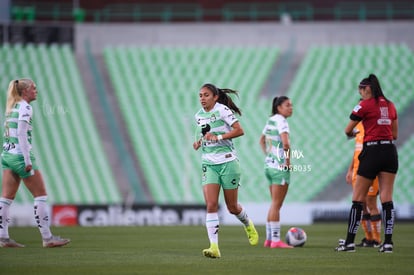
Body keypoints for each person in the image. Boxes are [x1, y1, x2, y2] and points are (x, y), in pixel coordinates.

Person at [0, 78, 70, 248]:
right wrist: (26, 160)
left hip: (6, 154)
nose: (36, 91)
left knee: (6, 198)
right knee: (41, 195)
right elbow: (22, 135)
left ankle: (3, 237)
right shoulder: (25, 107)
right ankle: (47, 238)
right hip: (19, 156)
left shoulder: (12, 107)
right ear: (25, 91)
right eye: (33, 88)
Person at [193, 83, 258, 258]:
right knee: (211, 204)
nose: (202, 98)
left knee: (232, 207)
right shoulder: (198, 116)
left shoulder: (222, 110)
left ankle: (247, 224)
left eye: (206, 95)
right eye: (200, 95)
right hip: (209, 163)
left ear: (215, 97)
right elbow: (200, 134)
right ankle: (214, 247)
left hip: (228, 162)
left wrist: (218, 137)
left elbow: (239, 131)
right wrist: (198, 142)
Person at [335, 74, 398, 253]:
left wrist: (354, 134)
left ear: (366, 89)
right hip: (390, 151)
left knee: (357, 199)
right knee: (386, 198)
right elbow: (395, 134)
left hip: (371, 151)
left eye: (360, 90)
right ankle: (388, 243)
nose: (360, 93)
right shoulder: (391, 105)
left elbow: (348, 130)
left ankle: (349, 243)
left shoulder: (364, 105)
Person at [259, 96, 294, 249]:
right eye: (287, 105)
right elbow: (286, 143)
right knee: (276, 204)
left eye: (291, 105)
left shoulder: (271, 120)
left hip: (269, 166)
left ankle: (268, 239)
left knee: (273, 204)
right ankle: (275, 240)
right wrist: (287, 163)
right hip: (279, 168)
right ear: (279, 107)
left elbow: (261, 140)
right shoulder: (282, 121)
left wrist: (268, 155)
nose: (291, 108)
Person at [346, 121, 381, 247]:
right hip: (357, 170)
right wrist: (350, 169)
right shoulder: (358, 126)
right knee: (361, 204)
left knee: (371, 203)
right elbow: (357, 150)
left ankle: (377, 240)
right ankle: (369, 239)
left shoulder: (374, 126)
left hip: (370, 169)